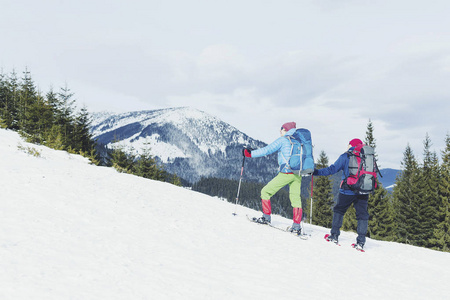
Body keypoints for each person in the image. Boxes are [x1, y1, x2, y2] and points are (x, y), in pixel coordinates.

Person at [243, 122, 303, 234]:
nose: (280, 131)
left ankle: (266, 217)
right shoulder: (299, 141)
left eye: (282, 129)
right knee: (296, 200)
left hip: (286, 173)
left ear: (286, 130)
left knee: (265, 191)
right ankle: (296, 226)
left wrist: (250, 154)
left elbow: (267, 150)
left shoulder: (283, 140)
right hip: (298, 175)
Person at [313, 138, 369, 251]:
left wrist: (316, 172)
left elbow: (332, 169)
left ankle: (334, 236)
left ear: (351, 145)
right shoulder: (367, 157)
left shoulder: (346, 156)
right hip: (363, 191)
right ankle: (361, 242)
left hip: (347, 190)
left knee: (339, 210)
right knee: (362, 215)